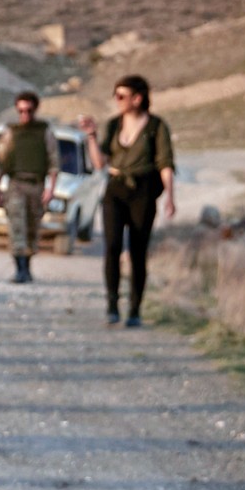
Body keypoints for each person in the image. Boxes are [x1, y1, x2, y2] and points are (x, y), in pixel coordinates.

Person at [77, 75, 176, 327]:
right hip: (115, 187)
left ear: (137, 98)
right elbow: (100, 163)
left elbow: (165, 164)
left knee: (138, 251)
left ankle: (134, 309)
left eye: (122, 96)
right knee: (111, 246)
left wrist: (170, 197)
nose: (117, 101)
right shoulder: (112, 125)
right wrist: (91, 136)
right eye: (116, 95)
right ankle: (112, 304)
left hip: (143, 190)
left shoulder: (156, 127)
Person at [0, 90, 57, 284]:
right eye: (21, 111)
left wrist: (50, 189)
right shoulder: (11, 132)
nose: (25, 115)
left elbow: (54, 161)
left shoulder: (44, 131)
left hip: (36, 185)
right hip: (16, 184)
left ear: (35, 109)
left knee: (32, 227)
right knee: (16, 227)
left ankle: (27, 267)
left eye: (28, 111)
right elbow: (0, 160)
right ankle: (20, 269)